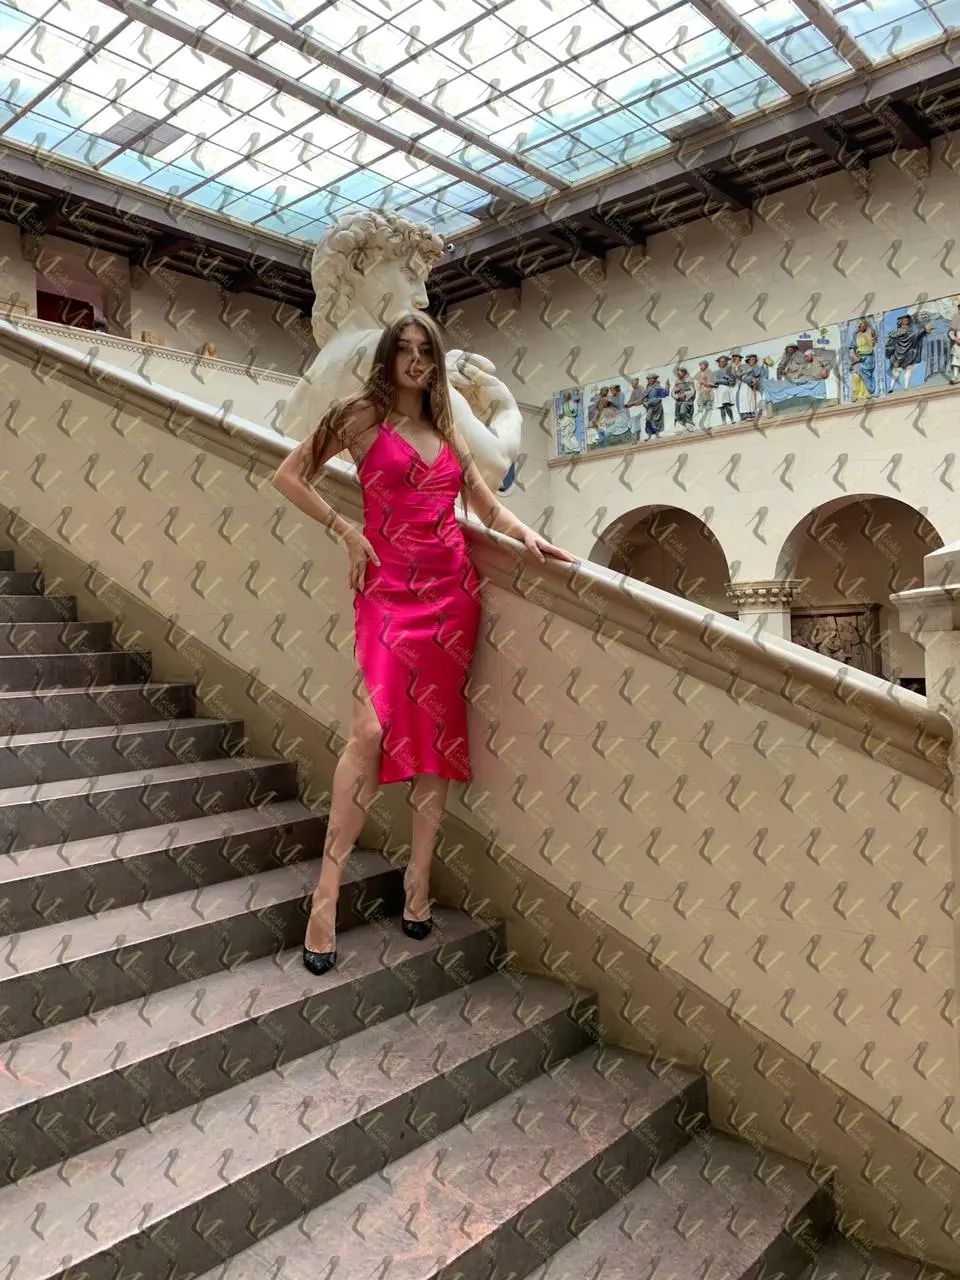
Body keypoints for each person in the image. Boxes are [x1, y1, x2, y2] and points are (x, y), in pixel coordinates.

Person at [271, 312, 575, 974]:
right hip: (387, 590)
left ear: (436, 362)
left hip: (451, 593)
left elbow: (485, 507)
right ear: (388, 356)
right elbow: (289, 475)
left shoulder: (446, 428)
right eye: (404, 350)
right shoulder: (357, 418)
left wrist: (527, 535)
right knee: (369, 731)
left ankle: (418, 882)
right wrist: (346, 531)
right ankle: (325, 897)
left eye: (425, 351)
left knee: (436, 736)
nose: (415, 360)